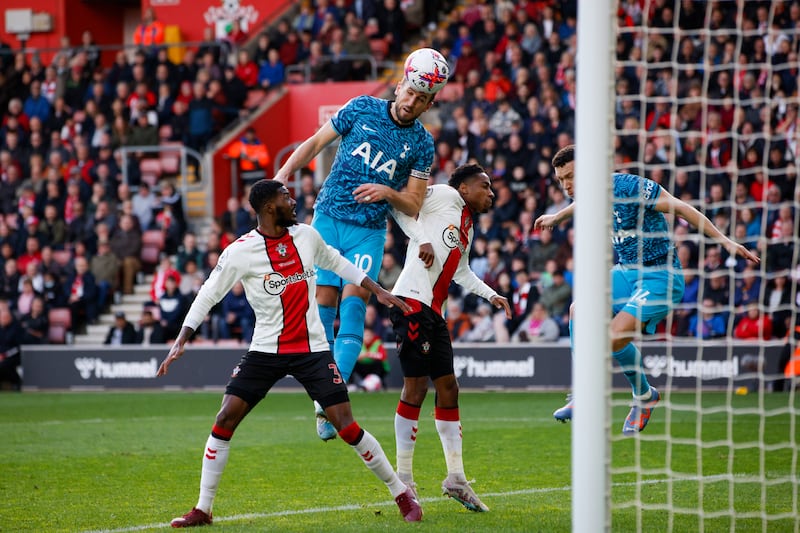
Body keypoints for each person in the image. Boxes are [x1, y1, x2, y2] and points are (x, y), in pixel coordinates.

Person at [157, 180, 422, 526]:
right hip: (265, 350)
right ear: (269, 207)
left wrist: (379, 291)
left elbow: (341, 264)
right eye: (285, 196)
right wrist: (182, 338)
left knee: (347, 426)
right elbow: (208, 294)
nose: (293, 200)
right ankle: (203, 509)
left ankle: (402, 494)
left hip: (312, 348)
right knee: (224, 420)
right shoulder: (241, 251)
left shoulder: (307, 236)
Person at [273, 49, 442, 441]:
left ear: (430, 103)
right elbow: (316, 143)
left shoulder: (421, 143)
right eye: (410, 92)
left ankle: (328, 401)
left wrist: (388, 190)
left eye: (421, 99)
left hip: (368, 232)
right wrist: (282, 174)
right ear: (400, 85)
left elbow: (414, 202)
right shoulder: (361, 108)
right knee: (323, 307)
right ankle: (325, 397)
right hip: (328, 221)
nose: (412, 102)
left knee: (354, 307)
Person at [535, 145, 760, 434]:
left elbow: (680, 207)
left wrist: (725, 241)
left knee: (613, 337)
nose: (566, 185)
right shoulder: (589, 192)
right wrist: (557, 217)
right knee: (578, 310)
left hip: (659, 276)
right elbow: (581, 201)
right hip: (627, 271)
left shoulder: (629, 186)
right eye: (561, 179)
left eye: (571, 176)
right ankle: (628, 395)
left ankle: (619, 395)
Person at [388, 164, 512, 513]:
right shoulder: (442, 194)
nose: (490, 193)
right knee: (415, 388)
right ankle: (405, 480)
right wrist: (421, 237)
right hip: (411, 300)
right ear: (463, 187)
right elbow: (399, 204)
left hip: (434, 310)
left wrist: (491, 295)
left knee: (449, 387)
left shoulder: (467, 227)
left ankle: (456, 478)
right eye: (484, 186)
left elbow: (462, 272)